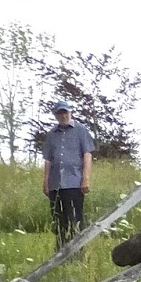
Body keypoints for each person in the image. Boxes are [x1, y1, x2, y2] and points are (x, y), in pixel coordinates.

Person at [42, 100, 94, 243]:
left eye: (65, 112)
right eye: (60, 113)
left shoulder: (81, 130)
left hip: (74, 182)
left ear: (70, 112)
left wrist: (85, 178)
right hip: (55, 183)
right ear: (55, 115)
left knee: (75, 219)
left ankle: (77, 253)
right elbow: (48, 159)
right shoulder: (51, 134)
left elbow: (87, 154)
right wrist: (45, 182)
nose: (63, 115)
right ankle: (60, 252)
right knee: (58, 220)